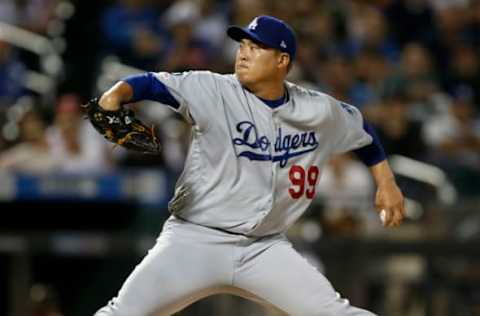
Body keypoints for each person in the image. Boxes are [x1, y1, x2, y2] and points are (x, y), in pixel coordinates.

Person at [94, 15, 405, 316]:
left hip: (264, 248)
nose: (243, 53)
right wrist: (115, 94)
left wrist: (386, 181)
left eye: (255, 48)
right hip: (195, 240)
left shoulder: (315, 109)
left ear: (282, 61)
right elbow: (151, 84)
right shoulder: (212, 89)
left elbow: (361, 129)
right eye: (242, 46)